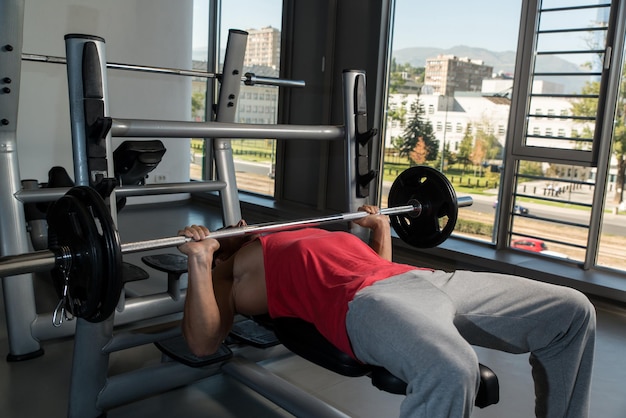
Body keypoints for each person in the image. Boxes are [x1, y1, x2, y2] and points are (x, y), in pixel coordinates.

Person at [177, 206, 595, 418]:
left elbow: (371, 264)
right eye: (233, 226)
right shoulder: (235, 267)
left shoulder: (299, 233)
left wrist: (379, 230)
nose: (244, 222)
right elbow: (202, 341)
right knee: (453, 370)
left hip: (424, 279)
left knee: (573, 312)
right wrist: (201, 258)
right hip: (369, 304)